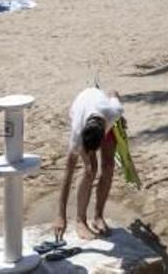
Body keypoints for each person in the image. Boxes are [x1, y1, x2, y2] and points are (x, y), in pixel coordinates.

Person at [55, 86, 125, 242]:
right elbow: (68, 172)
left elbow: (114, 92)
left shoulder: (114, 111)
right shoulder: (77, 132)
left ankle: (98, 216)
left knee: (108, 167)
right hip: (81, 107)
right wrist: (61, 216)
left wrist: (120, 121)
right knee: (90, 169)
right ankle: (80, 220)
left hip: (104, 117)